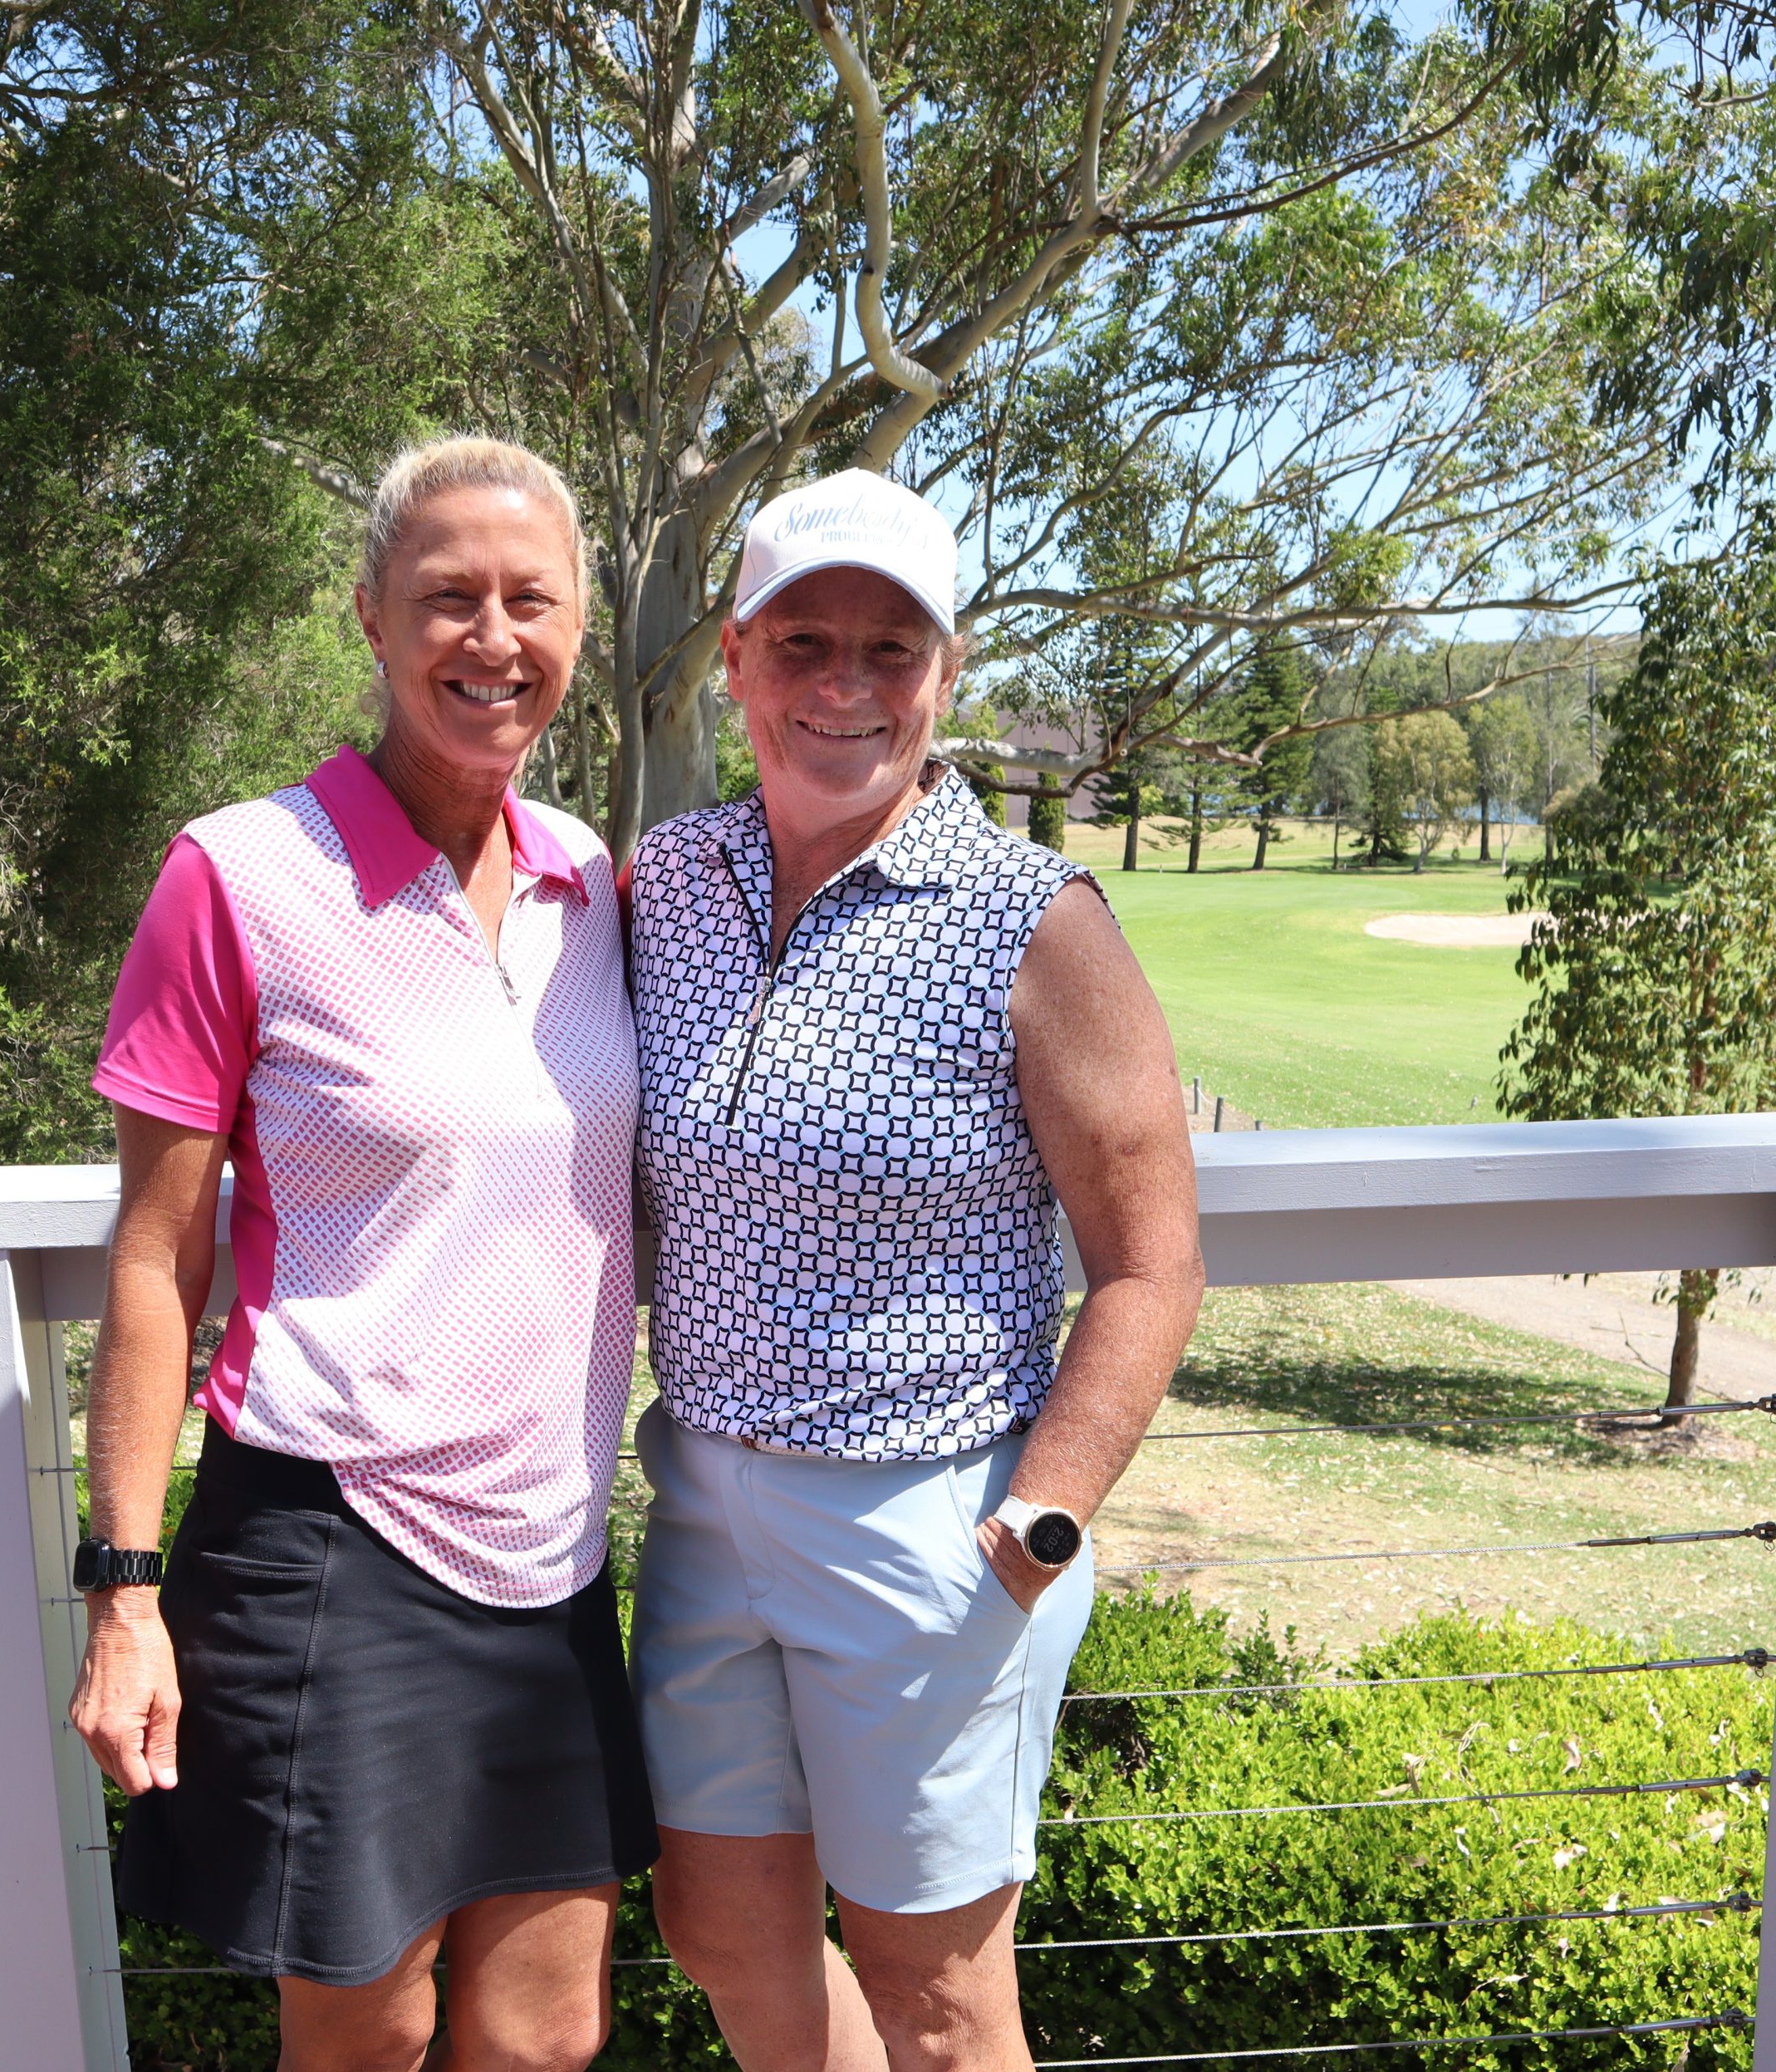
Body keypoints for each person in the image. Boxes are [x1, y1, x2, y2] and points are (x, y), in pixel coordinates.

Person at [68, 436, 655, 2072]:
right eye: (444, 597)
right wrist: (121, 1593)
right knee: (365, 2035)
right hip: (335, 1538)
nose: (489, 637)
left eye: (527, 598)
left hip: (549, 1560)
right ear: (372, 619)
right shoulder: (238, 874)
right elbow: (152, 1257)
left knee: (543, 2036)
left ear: (577, 623)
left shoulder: (587, 883)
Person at [627, 469, 1204, 2072]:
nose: (846, 684)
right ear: (736, 659)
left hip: (926, 1521)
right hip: (700, 1499)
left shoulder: (1037, 917)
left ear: (945, 676)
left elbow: (1153, 1261)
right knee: (724, 1926)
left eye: (894, 648)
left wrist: (1036, 1525)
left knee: (941, 2005)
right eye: (805, 639)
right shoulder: (670, 882)